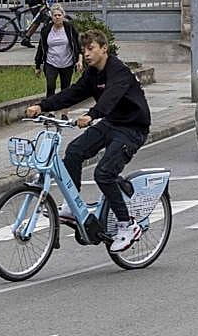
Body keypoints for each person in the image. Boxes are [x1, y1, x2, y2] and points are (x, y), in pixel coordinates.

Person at [23, 29, 149, 253]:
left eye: (91, 49)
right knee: (74, 151)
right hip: (111, 123)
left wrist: (92, 114)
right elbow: (73, 92)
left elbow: (111, 96)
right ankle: (73, 205)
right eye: (84, 50)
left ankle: (127, 225)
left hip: (131, 128)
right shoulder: (92, 73)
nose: (87, 54)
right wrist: (43, 106)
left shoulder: (118, 71)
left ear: (104, 49)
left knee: (104, 173)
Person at [34, 5, 81, 98]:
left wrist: (79, 60)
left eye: (59, 15)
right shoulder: (46, 30)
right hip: (51, 63)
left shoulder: (69, 28)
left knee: (65, 88)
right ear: (51, 17)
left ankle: (64, 112)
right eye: (55, 15)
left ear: (63, 16)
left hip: (67, 63)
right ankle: (50, 110)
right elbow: (41, 48)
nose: (57, 17)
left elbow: (77, 45)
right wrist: (37, 66)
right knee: (50, 86)